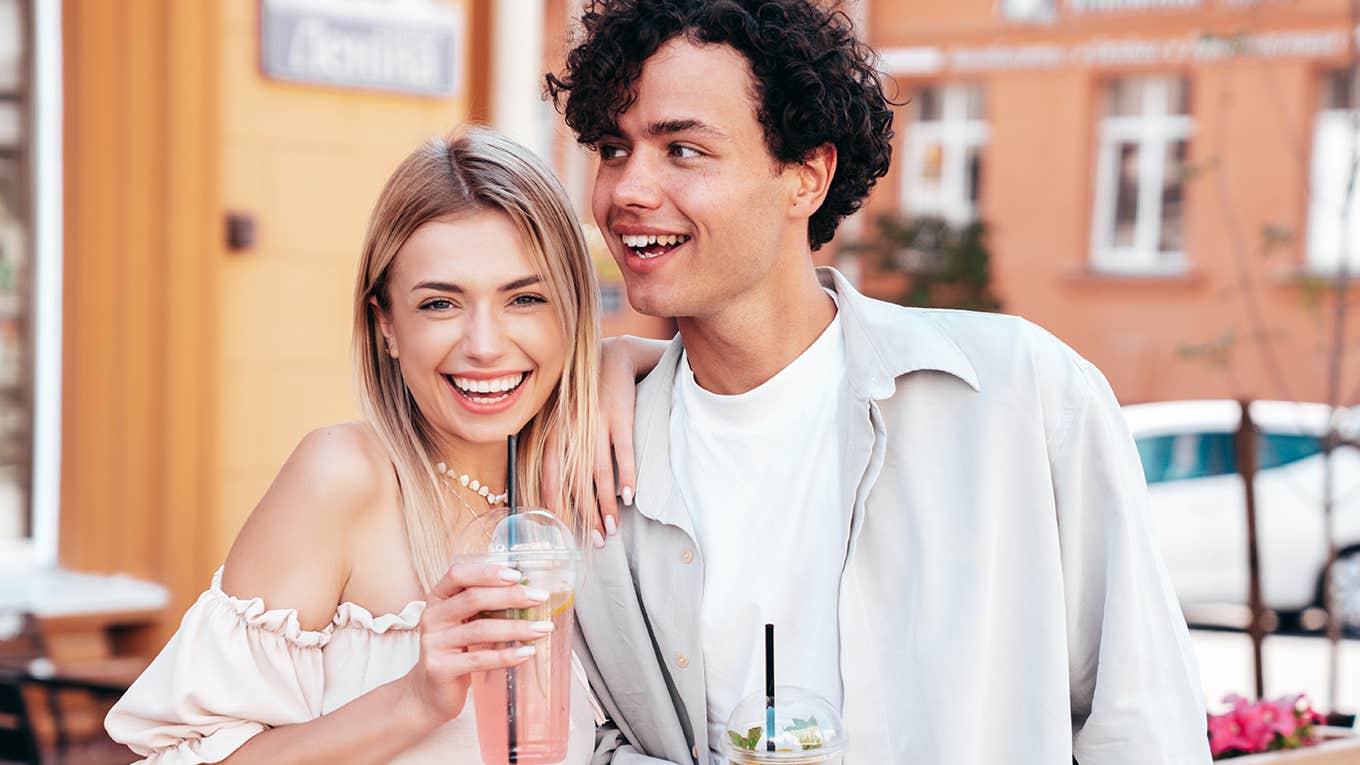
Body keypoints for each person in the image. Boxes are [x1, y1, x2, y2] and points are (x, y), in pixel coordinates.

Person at [547, 1, 1213, 763]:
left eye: (683, 151)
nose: (627, 190)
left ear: (806, 175)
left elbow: (1142, 721)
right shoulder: (595, 454)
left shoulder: (1021, 395)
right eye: (612, 147)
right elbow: (567, 732)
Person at [105, 127, 609, 764]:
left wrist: (627, 362)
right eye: (439, 304)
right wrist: (414, 700)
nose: (484, 344)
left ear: (572, 312)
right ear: (387, 325)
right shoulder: (343, 478)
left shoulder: (595, 480)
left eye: (526, 298)